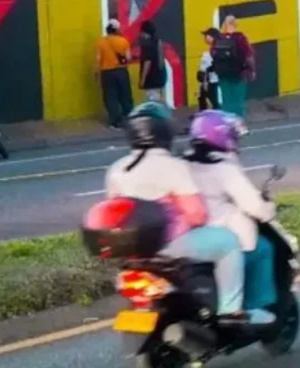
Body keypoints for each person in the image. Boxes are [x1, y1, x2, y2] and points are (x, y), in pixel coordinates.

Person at [103, 102, 245, 322]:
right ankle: (230, 310)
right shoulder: (172, 166)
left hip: (132, 252)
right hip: (172, 245)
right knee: (229, 243)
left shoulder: (117, 169)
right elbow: (197, 214)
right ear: (165, 132)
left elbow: (113, 210)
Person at [184, 111, 277, 324]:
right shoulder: (224, 168)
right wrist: (269, 208)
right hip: (220, 237)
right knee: (263, 249)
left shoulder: (182, 164)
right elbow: (254, 206)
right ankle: (253, 308)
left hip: (185, 238)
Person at [212, 16, 254, 118]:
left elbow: (213, 54)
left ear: (225, 24)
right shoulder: (241, 38)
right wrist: (252, 70)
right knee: (238, 101)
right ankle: (238, 124)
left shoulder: (218, 39)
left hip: (223, 75)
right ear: (235, 24)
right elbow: (249, 56)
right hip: (239, 74)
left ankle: (227, 124)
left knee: (227, 101)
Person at [96, 18, 133, 129]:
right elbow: (128, 58)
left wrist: (96, 74)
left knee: (110, 97)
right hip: (121, 71)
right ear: (116, 30)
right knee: (125, 95)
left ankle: (115, 121)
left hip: (107, 73)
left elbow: (98, 60)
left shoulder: (100, 43)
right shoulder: (123, 41)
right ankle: (128, 118)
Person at [137, 20, 167, 103]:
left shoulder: (146, 44)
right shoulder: (158, 41)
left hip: (151, 80)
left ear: (144, 31)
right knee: (161, 102)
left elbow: (147, 62)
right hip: (161, 77)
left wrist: (142, 80)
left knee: (153, 103)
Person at [198, 28, 221, 111]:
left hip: (213, 80)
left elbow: (219, 62)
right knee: (202, 97)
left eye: (206, 35)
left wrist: (210, 69)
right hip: (207, 79)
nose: (205, 37)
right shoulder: (213, 48)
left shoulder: (217, 48)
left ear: (212, 37)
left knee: (214, 101)